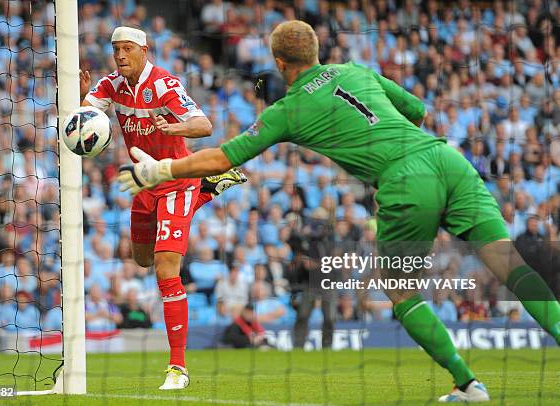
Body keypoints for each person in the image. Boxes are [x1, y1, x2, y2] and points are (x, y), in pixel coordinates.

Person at [117, 20, 560, 402]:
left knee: (399, 289)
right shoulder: (355, 70)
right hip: (448, 161)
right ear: (315, 50)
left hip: (404, 182)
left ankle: (467, 384)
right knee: (509, 263)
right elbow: (418, 110)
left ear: (280, 63)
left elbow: (222, 158)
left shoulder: (286, 110)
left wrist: (161, 168)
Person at [79, 26, 247, 390]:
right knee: (140, 259)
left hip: (174, 180)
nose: (120, 55)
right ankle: (211, 185)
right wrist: (81, 104)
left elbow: (204, 124)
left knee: (164, 265)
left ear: (143, 49)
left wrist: (173, 129)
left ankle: (178, 368)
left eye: (127, 49)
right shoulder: (110, 84)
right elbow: (86, 115)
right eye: (115, 49)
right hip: (143, 182)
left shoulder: (165, 85)